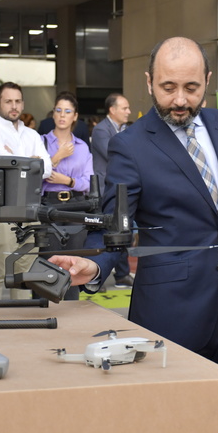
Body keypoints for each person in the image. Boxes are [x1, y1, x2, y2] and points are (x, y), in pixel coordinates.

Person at [48, 37, 218, 378]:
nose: (180, 100)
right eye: (168, 87)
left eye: (191, 87)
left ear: (208, 80)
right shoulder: (129, 146)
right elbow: (114, 222)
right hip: (170, 313)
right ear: (149, 82)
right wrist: (96, 265)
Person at [0, 82, 53, 300]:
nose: (14, 106)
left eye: (18, 101)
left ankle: (19, 322)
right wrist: (30, 162)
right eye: (8, 101)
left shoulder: (31, 134)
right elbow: (9, 166)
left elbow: (47, 168)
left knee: (25, 272)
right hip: (2, 210)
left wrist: (19, 161)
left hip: (30, 209)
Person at [40, 91, 94, 300]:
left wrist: (68, 181)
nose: (62, 115)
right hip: (49, 206)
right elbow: (34, 177)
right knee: (48, 262)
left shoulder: (82, 147)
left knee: (73, 265)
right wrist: (56, 157)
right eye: (58, 110)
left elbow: (88, 184)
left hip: (76, 206)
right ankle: (45, 313)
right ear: (53, 114)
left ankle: (71, 312)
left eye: (67, 111)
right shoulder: (41, 142)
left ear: (74, 116)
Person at [90, 93, 133, 288]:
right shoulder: (101, 130)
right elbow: (114, 155)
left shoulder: (123, 129)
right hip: (105, 190)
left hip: (121, 189)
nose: (128, 112)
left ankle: (121, 273)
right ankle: (116, 273)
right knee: (112, 230)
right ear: (112, 110)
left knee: (122, 229)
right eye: (124, 108)